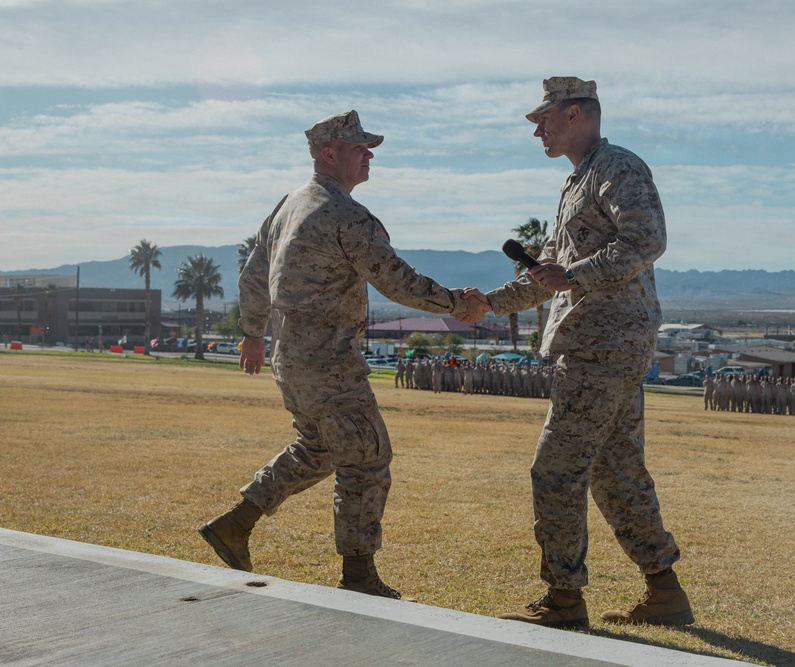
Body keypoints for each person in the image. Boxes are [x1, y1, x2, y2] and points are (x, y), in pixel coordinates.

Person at [198, 110, 488, 600]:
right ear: (327, 153)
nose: (369, 154)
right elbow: (397, 279)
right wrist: (459, 305)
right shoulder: (346, 215)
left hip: (290, 355)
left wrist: (252, 333)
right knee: (367, 458)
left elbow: (253, 274)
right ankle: (359, 576)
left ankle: (235, 524)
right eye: (359, 147)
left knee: (320, 449)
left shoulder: (290, 204)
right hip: (328, 356)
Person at [463, 77, 694, 629]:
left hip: (605, 343)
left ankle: (564, 599)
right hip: (599, 341)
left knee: (556, 470)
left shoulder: (617, 166)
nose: (537, 130)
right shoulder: (577, 182)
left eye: (542, 119)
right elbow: (549, 272)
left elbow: (647, 239)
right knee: (616, 472)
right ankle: (664, 591)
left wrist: (574, 274)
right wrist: (488, 305)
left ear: (575, 114)